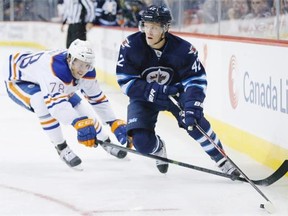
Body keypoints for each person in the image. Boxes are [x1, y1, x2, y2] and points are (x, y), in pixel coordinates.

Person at [115, 4, 241, 177]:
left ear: (165, 28)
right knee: (141, 142)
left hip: (175, 94)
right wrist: (155, 91)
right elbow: (126, 81)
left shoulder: (183, 50)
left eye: (155, 27)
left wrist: (191, 104)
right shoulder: (131, 46)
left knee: (194, 121)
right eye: (146, 25)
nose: (149, 31)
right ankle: (158, 148)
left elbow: (196, 80)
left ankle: (222, 160)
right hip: (144, 97)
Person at [3, 39, 127, 170]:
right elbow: (57, 107)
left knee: (79, 107)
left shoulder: (86, 71)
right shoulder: (54, 70)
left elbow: (97, 99)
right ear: (70, 59)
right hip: (18, 80)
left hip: (41, 76)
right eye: (79, 64)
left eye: (87, 65)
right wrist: (76, 122)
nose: (82, 70)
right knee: (41, 102)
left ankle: (106, 142)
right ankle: (61, 148)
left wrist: (112, 121)